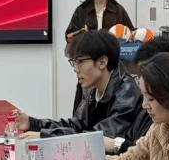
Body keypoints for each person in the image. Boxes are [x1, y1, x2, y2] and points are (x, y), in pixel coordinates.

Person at [14, 30, 147, 152]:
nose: (75, 69)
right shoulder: (93, 88)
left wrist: (45, 137)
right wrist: (33, 123)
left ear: (102, 62)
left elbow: (97, 138)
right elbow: (76, 125)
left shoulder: (127, 93)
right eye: (74, 62)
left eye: (80, 62)